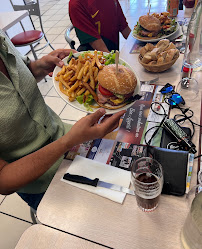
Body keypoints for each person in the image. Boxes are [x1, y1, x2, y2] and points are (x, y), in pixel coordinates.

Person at [0, 29, 125, 210]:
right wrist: (68, 141)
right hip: (40, 180)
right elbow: (3, 181)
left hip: (63, 134)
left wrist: (39, 66)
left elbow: (21, 73)